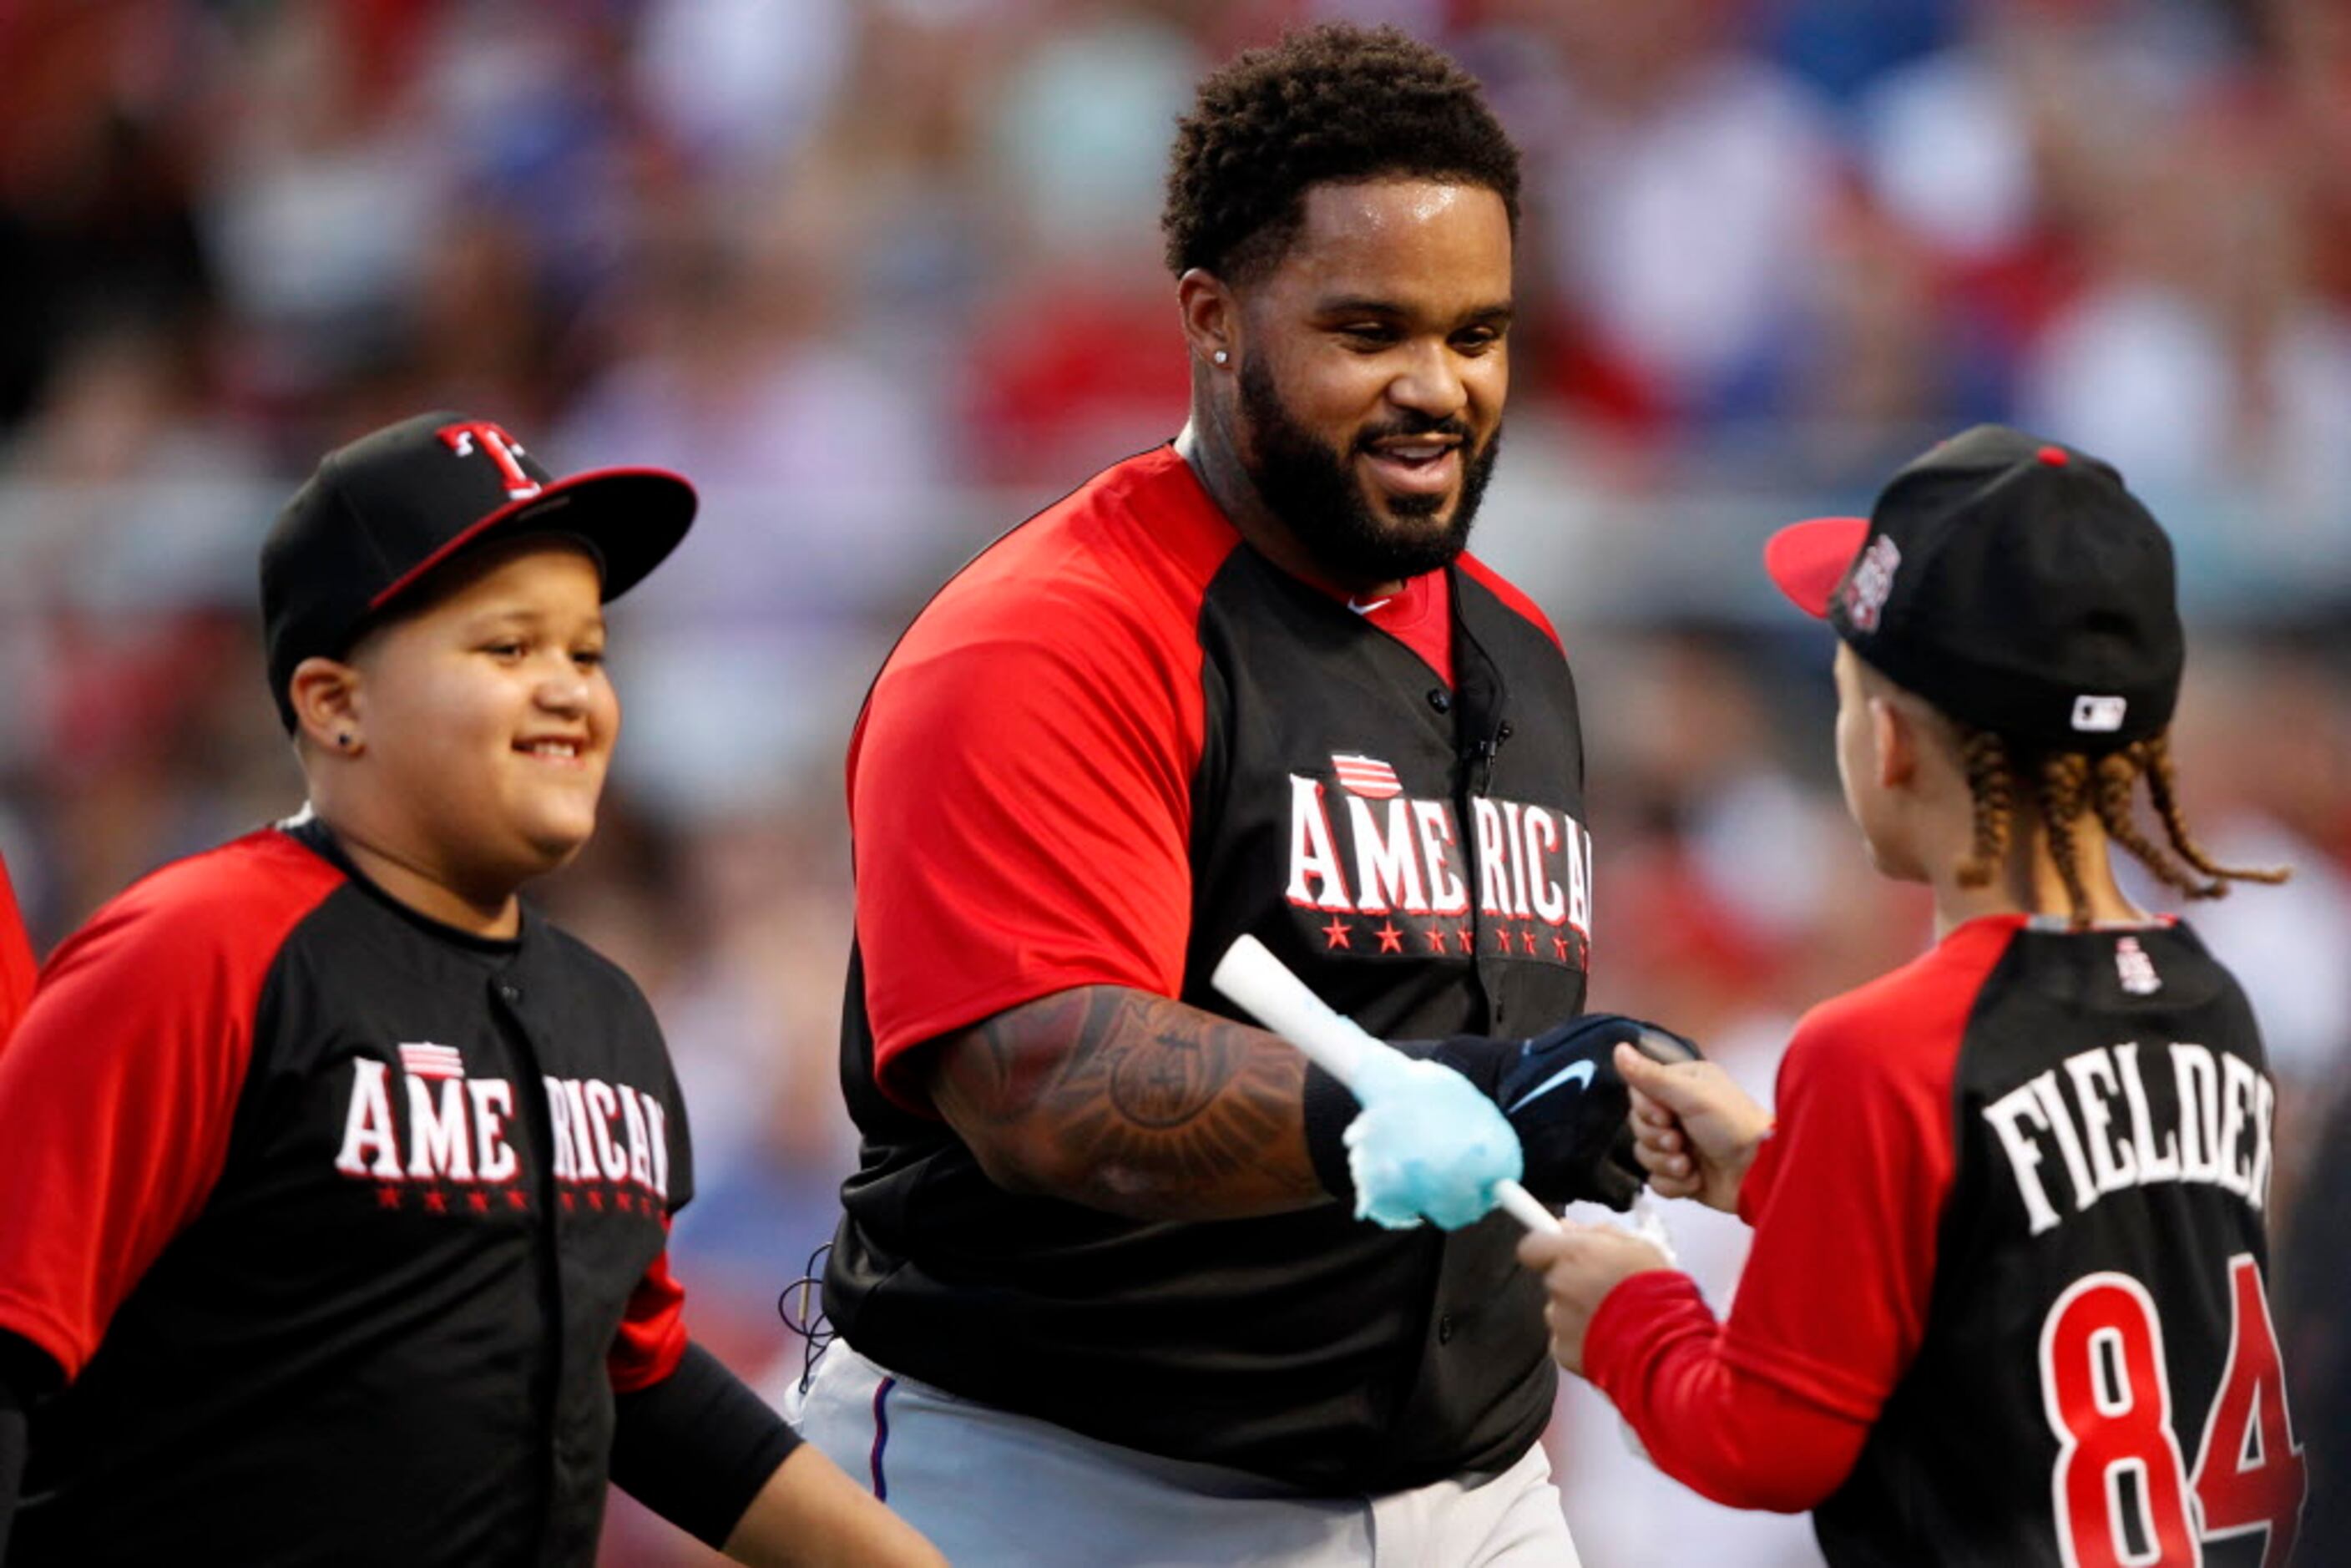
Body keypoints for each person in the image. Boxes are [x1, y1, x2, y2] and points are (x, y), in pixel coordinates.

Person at [798, 23, 1693, 1566]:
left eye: (1478, 335)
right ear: (1212, 319)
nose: (1439, 386)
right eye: (1370, 330)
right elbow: (1049, 1092)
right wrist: (1487, 1098)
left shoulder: (1519, 649)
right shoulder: (1050, 634)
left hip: (1472, 1493)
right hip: (1065, 1483)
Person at [0, 412, 943, 1568]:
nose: (567, 692)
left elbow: (634, 1377)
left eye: (586, 653)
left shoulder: (603, 1012)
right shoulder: (195, 953)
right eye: (507, 649)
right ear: (335, 703)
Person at [1519, 426, 2308, 1565]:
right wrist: (1782, 1174)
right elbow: (2014, 1261)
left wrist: (1634, 1314)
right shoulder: (2210, 999)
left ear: (1887, 740)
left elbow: (1768, 1439)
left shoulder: (1879, 1046)